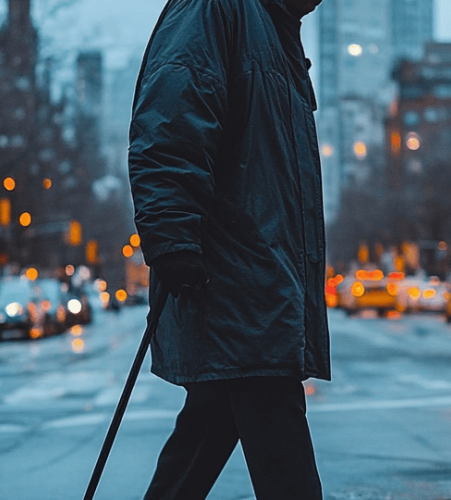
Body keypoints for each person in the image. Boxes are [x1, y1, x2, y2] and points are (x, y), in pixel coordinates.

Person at [127, 0, 328, 498]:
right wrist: (172, 240)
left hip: (260, 285)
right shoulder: (218, 8)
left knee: (204, 434)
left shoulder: (276, 32)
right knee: (285, 465)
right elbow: (169, 124)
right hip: (238, 285)